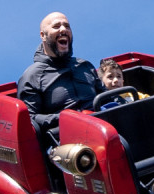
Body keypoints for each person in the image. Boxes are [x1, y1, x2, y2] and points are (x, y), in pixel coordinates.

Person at [17, 13, 102, 149]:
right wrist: (64, 118)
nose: (63, 29)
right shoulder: (32, 76)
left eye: (67, 26)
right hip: (69, 145)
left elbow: (105, 97)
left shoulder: (84, 66)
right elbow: (30, 119)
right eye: (56, 26)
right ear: (43, 35)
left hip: (102, 128)